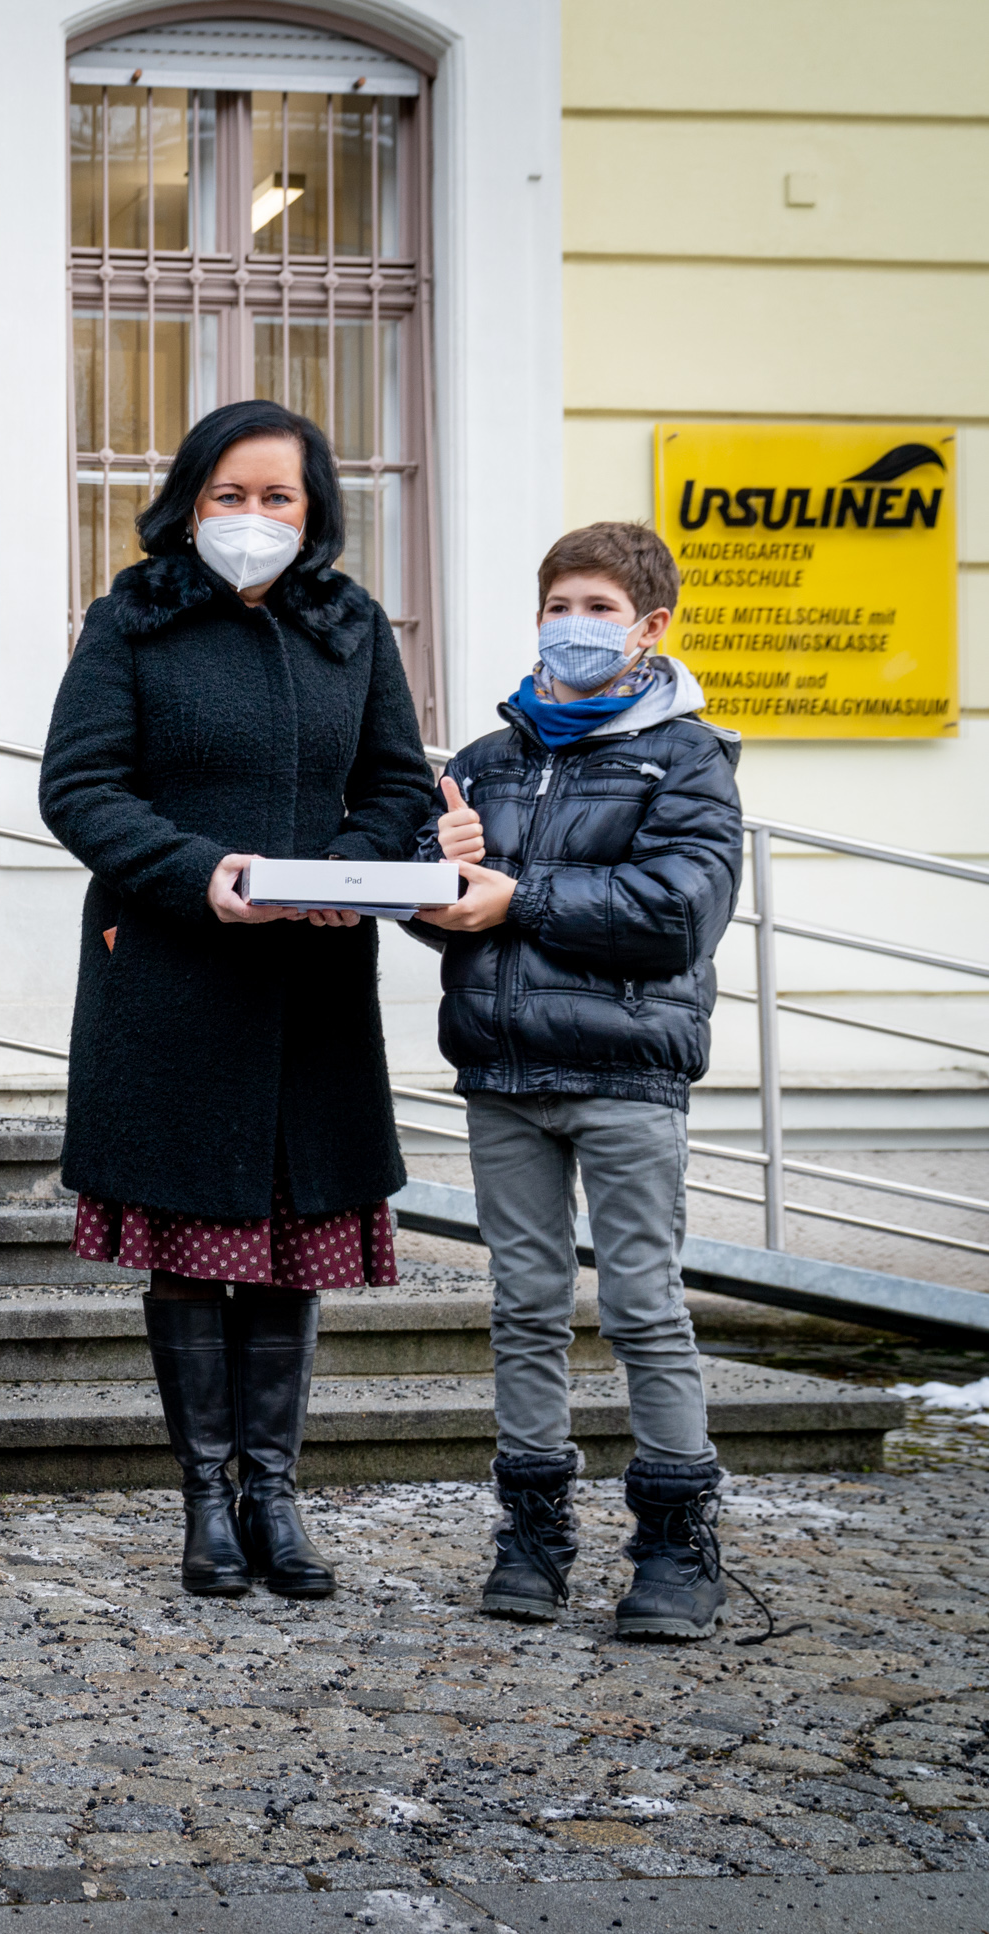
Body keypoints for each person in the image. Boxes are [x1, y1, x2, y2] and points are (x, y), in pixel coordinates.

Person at [40, 398, 436, 1602]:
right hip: (169, 976)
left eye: (278, 497)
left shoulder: (349, 624)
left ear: (312, 513)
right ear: (188, 501)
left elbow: (394, 780)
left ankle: (273, 1488)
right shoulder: (132, 618)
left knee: (284, 1246)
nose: (252, 516)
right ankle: (204, 1496)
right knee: (192, 1243)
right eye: (229, 493)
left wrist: (351, 872)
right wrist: (197, 873)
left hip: (311, 985)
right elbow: (79, 787)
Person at [412, 522, 742, 1640]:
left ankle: (672, 1541)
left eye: (599, 607)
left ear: (650, 627)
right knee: (523, 1307)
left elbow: (674, 914)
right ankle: (532, 1535)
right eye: (560, 603)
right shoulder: (489, 757)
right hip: (503, 1070)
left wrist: (515, 894)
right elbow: (460, 919)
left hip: (623, 1074)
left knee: (644, 1306)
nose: (575, 625)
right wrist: (433, 880)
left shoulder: (687, 757)